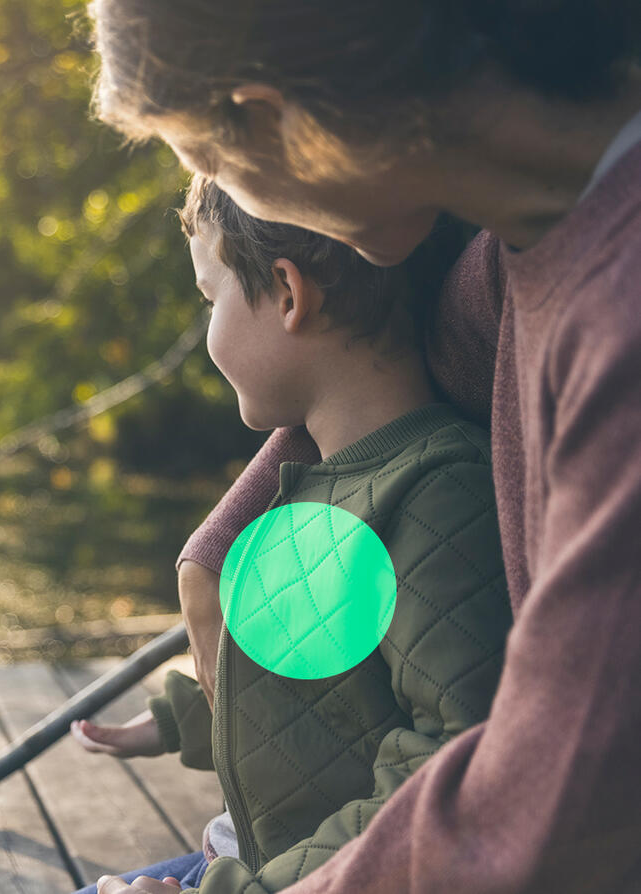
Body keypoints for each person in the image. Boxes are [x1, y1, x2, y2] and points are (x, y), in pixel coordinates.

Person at [84, 2, 641, 893]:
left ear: (274, 119)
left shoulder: (620, 315)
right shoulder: (511, 255)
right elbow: (380, 391)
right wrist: (215, 550)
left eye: (209, 160)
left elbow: (564, 803)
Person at [69, 177, 510, 894]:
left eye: (211, 300)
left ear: (287, 293)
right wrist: (182, 717)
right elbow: (323, 696)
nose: (209, 326)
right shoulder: (327, 482)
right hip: (247, 862)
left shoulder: (436, 493)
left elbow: (453, 762)